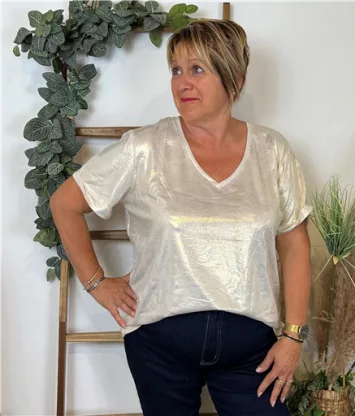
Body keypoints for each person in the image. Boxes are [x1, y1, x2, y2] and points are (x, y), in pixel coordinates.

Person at [51, 18, 313, 416]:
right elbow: (64, 204)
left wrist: (293, 337)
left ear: (234, 78)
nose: (182, 83)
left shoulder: (271, 150)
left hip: (251, 352)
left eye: (197, 69)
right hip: (159, 347)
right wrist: (97, 284)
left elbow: (294, 245)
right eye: (176, 70)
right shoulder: (144, 147)